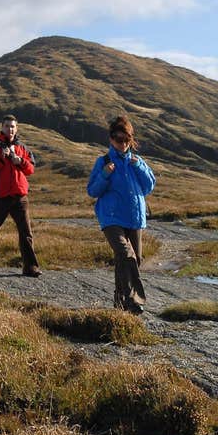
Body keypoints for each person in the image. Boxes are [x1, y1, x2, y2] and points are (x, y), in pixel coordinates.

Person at [86, 115, 156, 314]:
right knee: (126, 254)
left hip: (134, 218)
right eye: (118, 139)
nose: (123, 144)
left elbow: (149, 186)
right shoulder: (104, 161)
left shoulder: (137, 162)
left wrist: (139, 166)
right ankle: (135, 300)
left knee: (132, 260)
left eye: (127, 140)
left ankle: (120, 303)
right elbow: (92, 190)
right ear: (111, 139)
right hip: (111, 218)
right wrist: (105, 175)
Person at [0, 115, 41, 277]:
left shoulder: (22, 148)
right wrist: (1, 159)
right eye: (7, 126)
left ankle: (31, 267)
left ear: (16, 128)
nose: (10, 129)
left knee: (26, 232)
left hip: (19, 196)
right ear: (2, 128)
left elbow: (30, 170)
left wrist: (21, 162)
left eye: (12, 127)